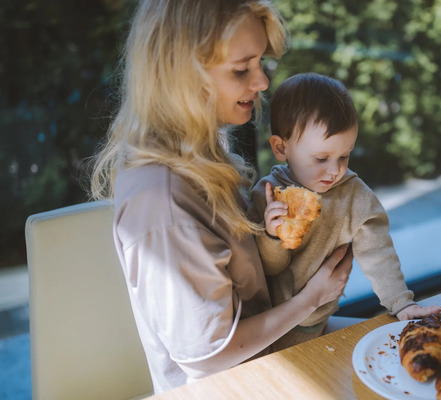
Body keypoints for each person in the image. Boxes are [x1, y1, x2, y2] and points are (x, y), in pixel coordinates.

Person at [89, 0, 354, 394]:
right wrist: (312, 298)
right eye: (241, 69)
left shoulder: (201, 147)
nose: (263, 82)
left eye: (260, 62)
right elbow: (209, 357)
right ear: (181, 74)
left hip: (274, 351)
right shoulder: (162, 202)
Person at [248, 73, 441, 351]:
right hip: (269, 329)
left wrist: (401, 303)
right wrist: (271, 235)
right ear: (281, 148)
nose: (335, 170)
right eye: (321, 158)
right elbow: (269, 268)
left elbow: (378, 254)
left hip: (319, 321)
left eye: (345, 156)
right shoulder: (267, 195)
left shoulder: (355, 197)